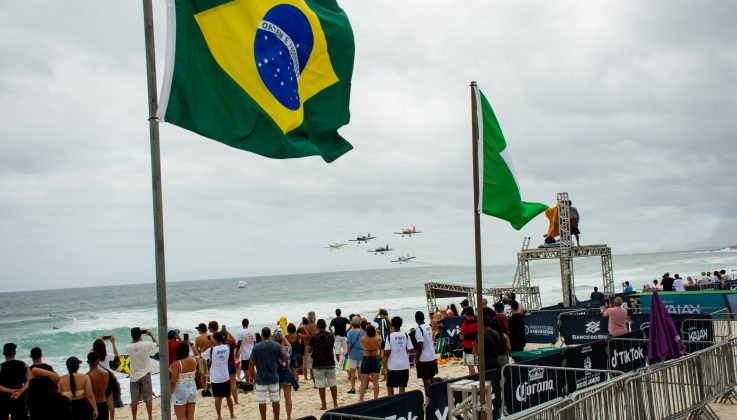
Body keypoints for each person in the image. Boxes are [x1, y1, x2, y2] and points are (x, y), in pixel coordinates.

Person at [249, 327, 288, 420]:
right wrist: (279, 363)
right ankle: (276, 418)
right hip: (273, 377)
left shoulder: (257, 347)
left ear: (262, 336)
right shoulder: (276, 346)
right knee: (275, 400)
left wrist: (252, 375)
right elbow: (285, 358)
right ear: (270, 335)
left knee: (262, 401)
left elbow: (251, 363)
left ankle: (264, 419)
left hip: (261, 378)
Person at [201, 332, 235, 420]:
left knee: (218, 397)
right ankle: (232, 414)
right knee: (228, 396)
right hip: (225, 375)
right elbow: (232, 341)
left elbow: (201, 354)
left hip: (215, 377)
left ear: (215, 340)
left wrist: (208, 343)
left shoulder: (211, 350)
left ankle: (219, 416)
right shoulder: (227, 347)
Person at [126, 327, 158, 420]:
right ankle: (150, 417)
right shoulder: (146, 344)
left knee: (134, 399)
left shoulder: (128, 347)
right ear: (140, 335)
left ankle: (134, 417)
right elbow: (156, 344)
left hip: (134, 375)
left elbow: (133, 345)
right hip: (145, 373)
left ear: (132, 336)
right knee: (148, 398)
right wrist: (151, 334)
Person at [308, 319, 337, 410]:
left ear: (318, 326)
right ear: (325, 325)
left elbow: (308, 350)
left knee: (321, 385)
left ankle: (324, 405)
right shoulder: (331, 336)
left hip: (318, 363)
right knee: (333, 384)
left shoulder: (314, 337)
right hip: (329, 362)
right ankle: (335, 404)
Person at [0, 343, 31, 420]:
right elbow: (29, 381)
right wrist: (20, 391)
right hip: (19, 396)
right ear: (15, 353)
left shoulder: (1, 367)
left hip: (4, 398)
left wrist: (11, 390)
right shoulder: (24, 365)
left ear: (3, 353)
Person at [384, 316, 413, 396]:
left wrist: (384, 368)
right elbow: (410, 349)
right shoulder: (406, 335)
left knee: (390, 386)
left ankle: (391, 403)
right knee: (402, 387)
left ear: (392, 324)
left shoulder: (389, 336)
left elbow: (387, 353)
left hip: (392, 366)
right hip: (404, 365)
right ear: (401, 324)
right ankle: (400, 403)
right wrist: (403, 351)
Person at [169, 341, 198, 420]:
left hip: (180, 389)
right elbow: (197, 354)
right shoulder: (194, 359)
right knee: (191, 416)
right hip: (192, 387)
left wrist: (169, 393)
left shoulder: (177, 363)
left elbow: (173, 382)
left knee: (181, 417)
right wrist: (192, 344)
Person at [273, 330, 299, 420]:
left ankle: (276, 417)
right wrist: (283, 337)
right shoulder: (287, 349)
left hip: (276, 374)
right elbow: (290, 346)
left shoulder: (273, 350)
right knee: (288, 397)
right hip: (286, 373)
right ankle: (289, 417)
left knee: (276, 398)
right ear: (282, 340)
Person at [92, 338, 119, 420]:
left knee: (98, 399)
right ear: (104, 347)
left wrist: (100, 339)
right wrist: (113, 342)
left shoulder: (93, 356)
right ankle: (112, 418)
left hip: (97, 378)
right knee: (110, 399)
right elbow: (116, 354)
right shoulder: (107, 355)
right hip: (107, 378)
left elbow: (89, 352)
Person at [413, 311, 437, 392]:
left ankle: (429, 397)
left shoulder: (419, 329)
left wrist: (416, 357)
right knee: (431, 377)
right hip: (432, 355)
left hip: (424, 358)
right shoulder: (428, 327)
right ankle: (435, 394)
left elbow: (420, 344)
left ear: (416, 320)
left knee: (425, 380)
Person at [358, 325, 382, 402]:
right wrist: (375, 331)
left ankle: (361, 399)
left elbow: (364, 335)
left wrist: (366, 330)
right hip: (376, 358)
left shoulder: (363, 339)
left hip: (366, 358)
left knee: (363, 382)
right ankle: (376, 398)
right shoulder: (378, 339)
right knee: (376, 382)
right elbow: (378, 336)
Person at [86, 352, 110, 420]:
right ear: (98, 360)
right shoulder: (106, 373)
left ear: (88, 362)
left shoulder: (87, 376)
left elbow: (88, 394)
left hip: (92, 405)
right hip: (103, 403)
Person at [220, 325, 239, 405]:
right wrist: (227, 331)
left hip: (223, 366)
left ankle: (227, 400)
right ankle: (236, 401)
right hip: (231, 365)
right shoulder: (230, 345)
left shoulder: (219, 347)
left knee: (223, 385)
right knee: (233, 384)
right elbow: (234, 340)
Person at [345, 316, 364, 394]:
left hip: (353, 355)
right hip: (362, 354)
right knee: (361, 372)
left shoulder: (350, 333)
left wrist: (348, 353)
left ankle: (353, 389)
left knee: (353, 373)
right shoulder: (363, 332)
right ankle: (361, 388)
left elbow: (348, 344)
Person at [300, 312, 319, 383]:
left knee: (306, 363)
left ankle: (307, 378)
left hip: (307, 346)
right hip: (316, 346)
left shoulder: (305, 327)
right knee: (314, 364)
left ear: (308, 317)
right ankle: (312, 377)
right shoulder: (317, 326)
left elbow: (302, 338)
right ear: (314, 317)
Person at [373, 309, 391, 381]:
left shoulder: (382, 320)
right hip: (388, 341)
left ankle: (385, 377)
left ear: (382, 315)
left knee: (384, 361)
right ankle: (387, 375)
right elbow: (374, 319)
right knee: (387, 360)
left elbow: (381, 330)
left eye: (380, 315)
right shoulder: (388, 320)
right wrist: (379, 313)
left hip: (384, 342)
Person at [235, 318, 256, 382]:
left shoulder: (241, 332)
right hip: (252, 353)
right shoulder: (252, 332)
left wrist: (236, 353)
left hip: (245, 355)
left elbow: (239, 344)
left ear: (242, 324)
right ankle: (256, 383)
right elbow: (254, 343)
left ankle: (248, 383)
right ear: (248, 323)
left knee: (246, 370)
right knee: (252, 369)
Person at [459, 307, 478, 375]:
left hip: (468, 347)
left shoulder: (465, 324)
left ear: (466, 314)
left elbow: (461, 337)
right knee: (479, 365)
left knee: (471, 367)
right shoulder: (478, 321)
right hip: (477, 345)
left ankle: (474, 380)